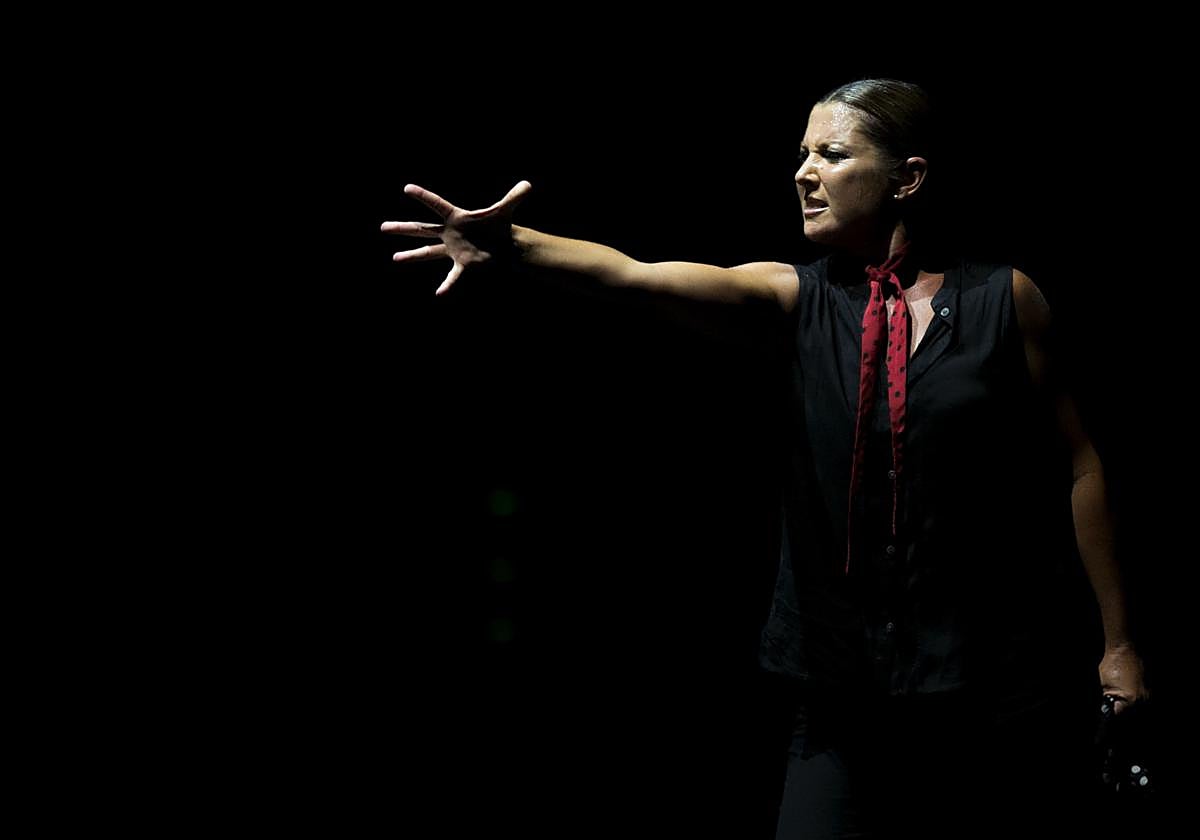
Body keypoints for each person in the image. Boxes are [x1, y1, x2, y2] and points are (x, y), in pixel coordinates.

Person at [383, 78, 1149, 838]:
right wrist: (515, 245)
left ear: (908, 178)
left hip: (987, 692)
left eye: (831, 155)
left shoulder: (1004, 302)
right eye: (802, 154)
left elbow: (1082, 467)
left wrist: (1118, 646)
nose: (803, 173)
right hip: (840, 697)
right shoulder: (795, 299)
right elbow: (635, 275)